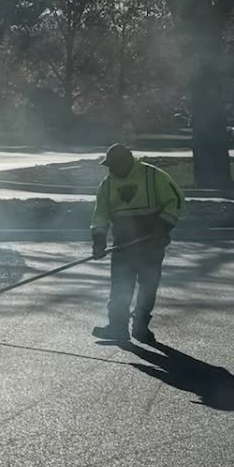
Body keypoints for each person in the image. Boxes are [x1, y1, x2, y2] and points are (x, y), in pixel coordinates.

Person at [90, 143, 184, 345]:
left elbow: (175, 200)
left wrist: (162, 226)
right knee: (120, 285)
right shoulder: (107, 185)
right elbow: (100, 215)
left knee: (148, 285)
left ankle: (140, 326)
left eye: (115, 165)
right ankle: (117, 327)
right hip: (123, 243)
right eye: (110, 166)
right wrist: (98, 241)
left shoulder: (152, 176)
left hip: (151, 242)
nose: (111, 169)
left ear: (128, 161)